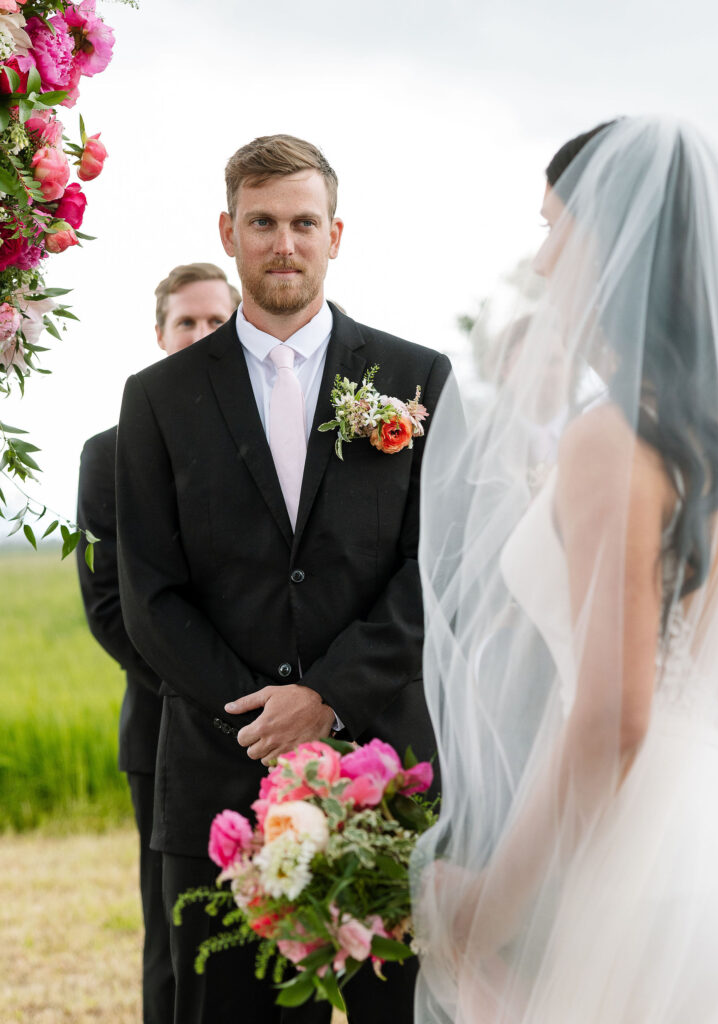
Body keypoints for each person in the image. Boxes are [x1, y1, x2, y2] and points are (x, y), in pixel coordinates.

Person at [412, 116, 718, 1023]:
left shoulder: (611, 438)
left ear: (614, 239)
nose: (542, 262)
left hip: (642, 863)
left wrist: (492, 905)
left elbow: (613, 717)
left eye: (553, 228)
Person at [115, 134, 451, 1024]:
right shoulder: (155, 399)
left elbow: (435, 565)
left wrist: (328, 697)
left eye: (303, 223)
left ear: (336, 234)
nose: (284, 244)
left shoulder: (416, 379)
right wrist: (269, 721)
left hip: (389, 776)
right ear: (228, 232)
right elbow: (149, 593)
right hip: (222, 783)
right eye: (261, 223)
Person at [76, 263, 239, 1024]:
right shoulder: (106, 452)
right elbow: (109, 606)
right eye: (187, 323)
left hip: (292, 732)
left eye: (216, 322)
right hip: (167, 727)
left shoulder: (272, 441)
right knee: (175, 935)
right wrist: (216, 694)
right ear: (159, 335)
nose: (202, 336)